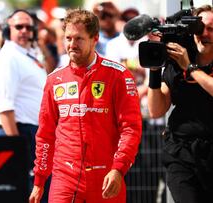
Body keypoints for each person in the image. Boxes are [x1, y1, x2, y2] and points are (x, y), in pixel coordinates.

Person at [29, 8, 142, 203]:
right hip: (64, 178)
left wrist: (118, 168)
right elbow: (46, 133)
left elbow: (130, 128)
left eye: (79, 39)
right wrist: (39, 180)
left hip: (105, 177)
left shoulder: (118, 75)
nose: (72, 45)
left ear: (94, 39)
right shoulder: (54, 80)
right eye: (68, 38)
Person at [147, 5, 213, 203]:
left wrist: (190, 68)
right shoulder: (176, 63)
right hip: (181, 152)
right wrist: (155, 72)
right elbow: (156, 110)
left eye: (211, 28)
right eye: (200, 28)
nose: (204, 34)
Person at [0, 9, 48, 201]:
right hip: (18, 133)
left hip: (32, 133)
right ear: (8, 29)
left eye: (28, 27)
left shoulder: (26, 56)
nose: (24, 30)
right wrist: (17, 147)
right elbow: (4, 108)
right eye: (18, 26)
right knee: (24, 193)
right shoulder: (7, 58)